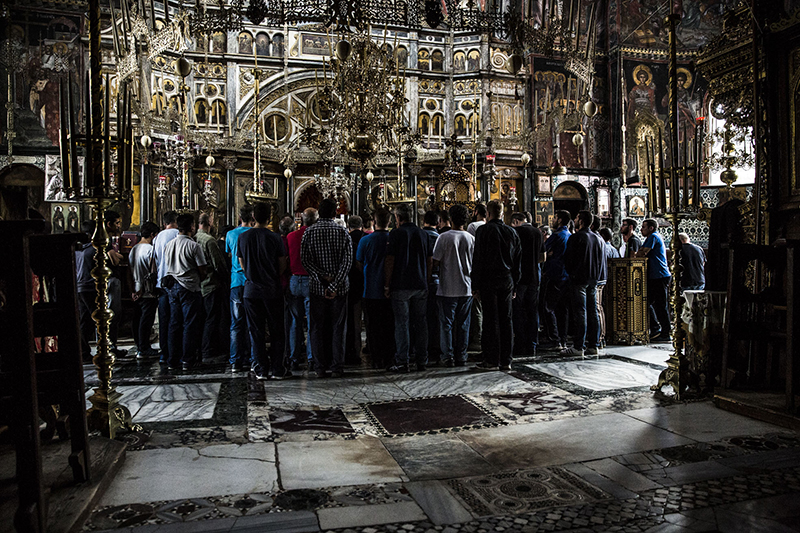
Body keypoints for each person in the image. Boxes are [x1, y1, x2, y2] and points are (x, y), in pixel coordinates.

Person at [301, 198, 353, 378]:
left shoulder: (309, 232)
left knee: (316, 327)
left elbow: (305, 260)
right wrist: (334, 283)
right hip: (340, 287)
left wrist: (321, 278)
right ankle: (337, 366)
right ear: (334, 213)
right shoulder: (343, 232)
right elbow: (347, 262)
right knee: (338, 327)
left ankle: (319, 366)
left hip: (317, 287)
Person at [238, 202, 288, 380]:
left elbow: (242, 263)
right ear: (269, 217)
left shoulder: (243, 237)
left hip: (251, 290)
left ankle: (260, 369)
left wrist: (253, 275)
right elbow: (282, 264)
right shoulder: (275, 238)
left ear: (253, 217)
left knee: (256, 331)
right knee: (276, 330)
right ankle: (277, 369)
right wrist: (272, 275)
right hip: (272, 289)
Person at [471, 200, 521, 371]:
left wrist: (475, 284)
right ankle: (506, 359)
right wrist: (515, 284)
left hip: (488, 280)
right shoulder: (512, 232)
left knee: (490, 320)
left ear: (488, 213)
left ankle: (491, 359)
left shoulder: (483, 231)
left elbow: (478, 259)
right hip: (507, 280)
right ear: (502, 213)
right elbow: (517, 262)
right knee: (506, 320)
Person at [385, 203, 432, 373]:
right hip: (420, 283)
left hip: (401, 284)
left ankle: (403, 361)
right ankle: (422, 360)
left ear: (398, 217)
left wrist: (387, 284)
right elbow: (429, 260)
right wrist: (425, 280)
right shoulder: (423, 233)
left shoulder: (396, 233)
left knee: (402, 323)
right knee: (421, 323)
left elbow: (390, 260)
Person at [163, 213, 208, 370]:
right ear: (191, 227)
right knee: (190, 324)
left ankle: (172, 360)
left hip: (172, 287)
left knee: (174, 323)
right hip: (189, 287)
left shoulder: (169, 244)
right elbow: (203, 269)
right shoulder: (194, 246)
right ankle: (187, 359)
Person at [433, 204, 474, 367]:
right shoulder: (471, 238)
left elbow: (435, 261)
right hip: (467, 287)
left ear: (450, 219)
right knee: (463, 324)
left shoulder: (444, 237)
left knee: (446, 324)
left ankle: (447, 356)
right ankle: (461, 355)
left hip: (447, 287)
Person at [356, 208, 395, 369]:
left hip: (370, 288)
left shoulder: (365, 240)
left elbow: (359, 262)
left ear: (374, 221)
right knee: (389, 325)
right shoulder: (393, 239)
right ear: (390, 222)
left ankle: (376, 356)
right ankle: (389, 356)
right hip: (391, 289)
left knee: (372, 326)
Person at [562, 211, 605, 356]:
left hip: (579, 279)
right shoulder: (598, 239)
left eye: (576, 217)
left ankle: (578, 346)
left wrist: (571, 273)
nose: (574, 220)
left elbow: (568, 259)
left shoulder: (577, 237)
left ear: (580, 221)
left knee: (580, 312)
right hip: (593, 279)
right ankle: (594, 345)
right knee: (592, 311)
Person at [285, 208, 317, 370]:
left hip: (294, 279)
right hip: (310, 280)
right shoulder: (315, 236)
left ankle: (294, 357)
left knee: (294, 322)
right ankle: (311, 357)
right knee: (312, 322)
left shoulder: (291, 236)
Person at [510, 212, 545, 357]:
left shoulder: (516, 232)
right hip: (534, 278)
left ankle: (520, 343)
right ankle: (532, 344)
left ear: (517, 221)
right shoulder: (537, 232)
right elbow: (542, 257)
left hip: (520, 278)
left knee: (518, 311)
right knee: (532, 311)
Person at [196, 212, 228, 362]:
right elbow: (218, 264)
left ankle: (200, 348)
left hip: (198, 285)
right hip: (211, 284)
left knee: (201, 318)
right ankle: (208, 350)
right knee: (212, 318)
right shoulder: (209, 241)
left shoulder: (194, 238)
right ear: (209, 222)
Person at [226, 206, 254, 372]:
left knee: (236, 324)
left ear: (239, 217)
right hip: (251, 282)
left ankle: (235, 360)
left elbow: (230, 254)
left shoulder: (231, 234)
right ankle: (252, 358)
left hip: (236, 282)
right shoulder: (253, 234)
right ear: (252, 217)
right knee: (252, 323)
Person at [636, 218, 672, 342]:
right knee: (648, 302)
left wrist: (639, 252)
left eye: (644, 227)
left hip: (659, 275)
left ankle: (666, 332)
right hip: (654, 276)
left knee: (660, 305)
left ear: (651, 228)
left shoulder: (654, 237)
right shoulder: (650, 237)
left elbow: (641, 253)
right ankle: (656, 328)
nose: (641, 229)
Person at [129, 221, 160, 359]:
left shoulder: (133, 249)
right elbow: (153, 270)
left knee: (138, 318)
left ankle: (139, 345)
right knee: (146, 319)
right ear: (153, 235)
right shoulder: (150, 249)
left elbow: (129, 271)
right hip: (146, 290)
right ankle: (144, 347)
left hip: (135, 288)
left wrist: (133, 289)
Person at [542, 210, 571, 349]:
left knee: (549, 308)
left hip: (555, 275)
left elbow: (545, 251)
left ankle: (555, 339)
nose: (552, 220)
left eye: (554, 218)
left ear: (559, 220)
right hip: (567, 276)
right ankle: (563, 339)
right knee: (563, 309)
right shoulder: (569, 235)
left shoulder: (557, 235)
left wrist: (550, 253)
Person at [153, 211, 179, 364]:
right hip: (175, 280)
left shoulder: (157, 237)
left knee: (164, 320)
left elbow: (155, 259)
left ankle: (164, 353)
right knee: (175, 319)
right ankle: (175, 353)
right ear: (176, 221)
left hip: (161, 281)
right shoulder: (177, 234)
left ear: (164, 223)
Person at [103, 210, 126, 358]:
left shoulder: (108, 239)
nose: (119, 226)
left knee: (113, 315)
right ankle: (108, 346)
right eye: (117, 223)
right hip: (109, 280)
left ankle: (111, 345)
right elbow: (115, 260)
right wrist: (117, 256)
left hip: (108, 280)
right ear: (109, 224)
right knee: (111, 315)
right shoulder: (104, 239)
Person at [75, 220, 97, 362]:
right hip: (89, 287)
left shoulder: (77, 249)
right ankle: (104, 348)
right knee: (98, 318)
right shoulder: (93, 250)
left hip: (78, 287)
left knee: (83, 320)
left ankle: (84, 352)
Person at [345, 215, 365, 365]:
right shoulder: (365, 238)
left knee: (351, 321)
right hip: (367, 283)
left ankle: (352, 351)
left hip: (351, 284)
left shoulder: (346, 239)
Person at [422, 211, 441, 363]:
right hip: (438, 280)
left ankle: (422, 347)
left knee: (422, 317)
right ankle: (435, 346)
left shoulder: (420, 236)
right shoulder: (439, 238)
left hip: (422, 280)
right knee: (435, 317)